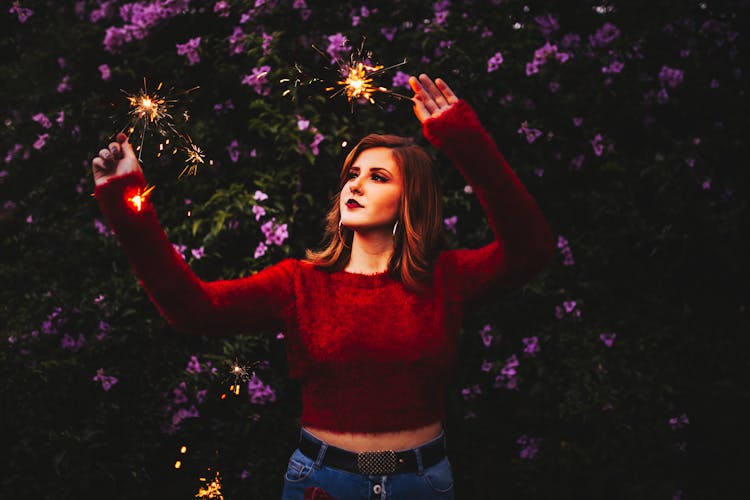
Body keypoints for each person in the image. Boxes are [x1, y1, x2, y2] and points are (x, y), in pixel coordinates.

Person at [92, 74, 555, 499]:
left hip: (422, 484)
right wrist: (126, 200)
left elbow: (530, 250)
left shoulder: (445, 279)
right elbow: (194, 309)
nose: (355, 185)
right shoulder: (299, 284)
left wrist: (462, 137)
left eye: (377, 177)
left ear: (411, 200)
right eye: (352, 174)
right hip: (324, 485)